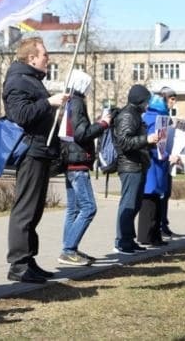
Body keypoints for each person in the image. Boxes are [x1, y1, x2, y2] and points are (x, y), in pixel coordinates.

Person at [3, 36, 68, 283]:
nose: (47, 58)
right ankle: (18, 264)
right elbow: (20, 115)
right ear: (31, 58)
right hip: (29, 151)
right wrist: (48, 102)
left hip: (40, 150)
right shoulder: (18, 80)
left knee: (35, 209)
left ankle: (29, 259)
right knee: (25, 209)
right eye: (44, 54)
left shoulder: (30, 80)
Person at [58, 70, 108, 266]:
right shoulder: (77, 103)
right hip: (78, 162)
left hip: (70, 161)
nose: (89, 89)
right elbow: (81, 134)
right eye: (88, 85)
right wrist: (103, 124)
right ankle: (68, 249)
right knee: (88, 207)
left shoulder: (68, 101)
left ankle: (69, 249)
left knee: (73, 209)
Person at [113, 84, 159, 254]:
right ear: (139, 100)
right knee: (128, 204)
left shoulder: (136, 114)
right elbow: (124, 142)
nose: (148, 104)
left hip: (138, 164)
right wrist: (147, 139)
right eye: (146, 101)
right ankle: (122, 241)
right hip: (130, 165)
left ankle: (128, 239)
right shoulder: (127, 115)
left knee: (135, 204)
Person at [138, 94, 172, 247]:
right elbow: (154, 141)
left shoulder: (151, 117)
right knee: (151, 200)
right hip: (154, 163)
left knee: (154, 200)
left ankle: (153, 235)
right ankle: (148, 236)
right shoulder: (155, 119)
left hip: (156, 163)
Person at [156, 87, 179, 239]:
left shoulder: (167, 115)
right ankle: (159, 225)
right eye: (171, 98)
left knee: (166, 193)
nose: (174, 101)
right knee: (160, 195)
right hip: (160, 160)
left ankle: (164, 223)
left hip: (168, 160)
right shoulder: (159, 115)